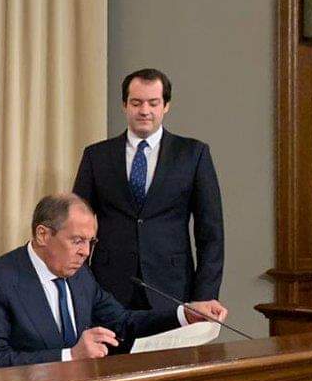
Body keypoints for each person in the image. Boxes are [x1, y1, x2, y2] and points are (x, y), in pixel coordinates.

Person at [0, 193, 227, 370]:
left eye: (91, 242)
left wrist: (184, 313)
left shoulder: (81, 275)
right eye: (77, 241)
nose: (85, 252)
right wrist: (70, 356)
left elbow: (123, 323)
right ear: (43, 235)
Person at [72, 68, 223, 309]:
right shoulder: (96, 156)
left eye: (153, 103)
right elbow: (75, 225)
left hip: (172, 288)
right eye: (136, 103)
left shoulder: (193, 154)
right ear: (124, 105)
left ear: (166, 106)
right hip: (107, 288)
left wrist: (204, 296)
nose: (144, 111)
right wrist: (81, 286)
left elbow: (211, 233)